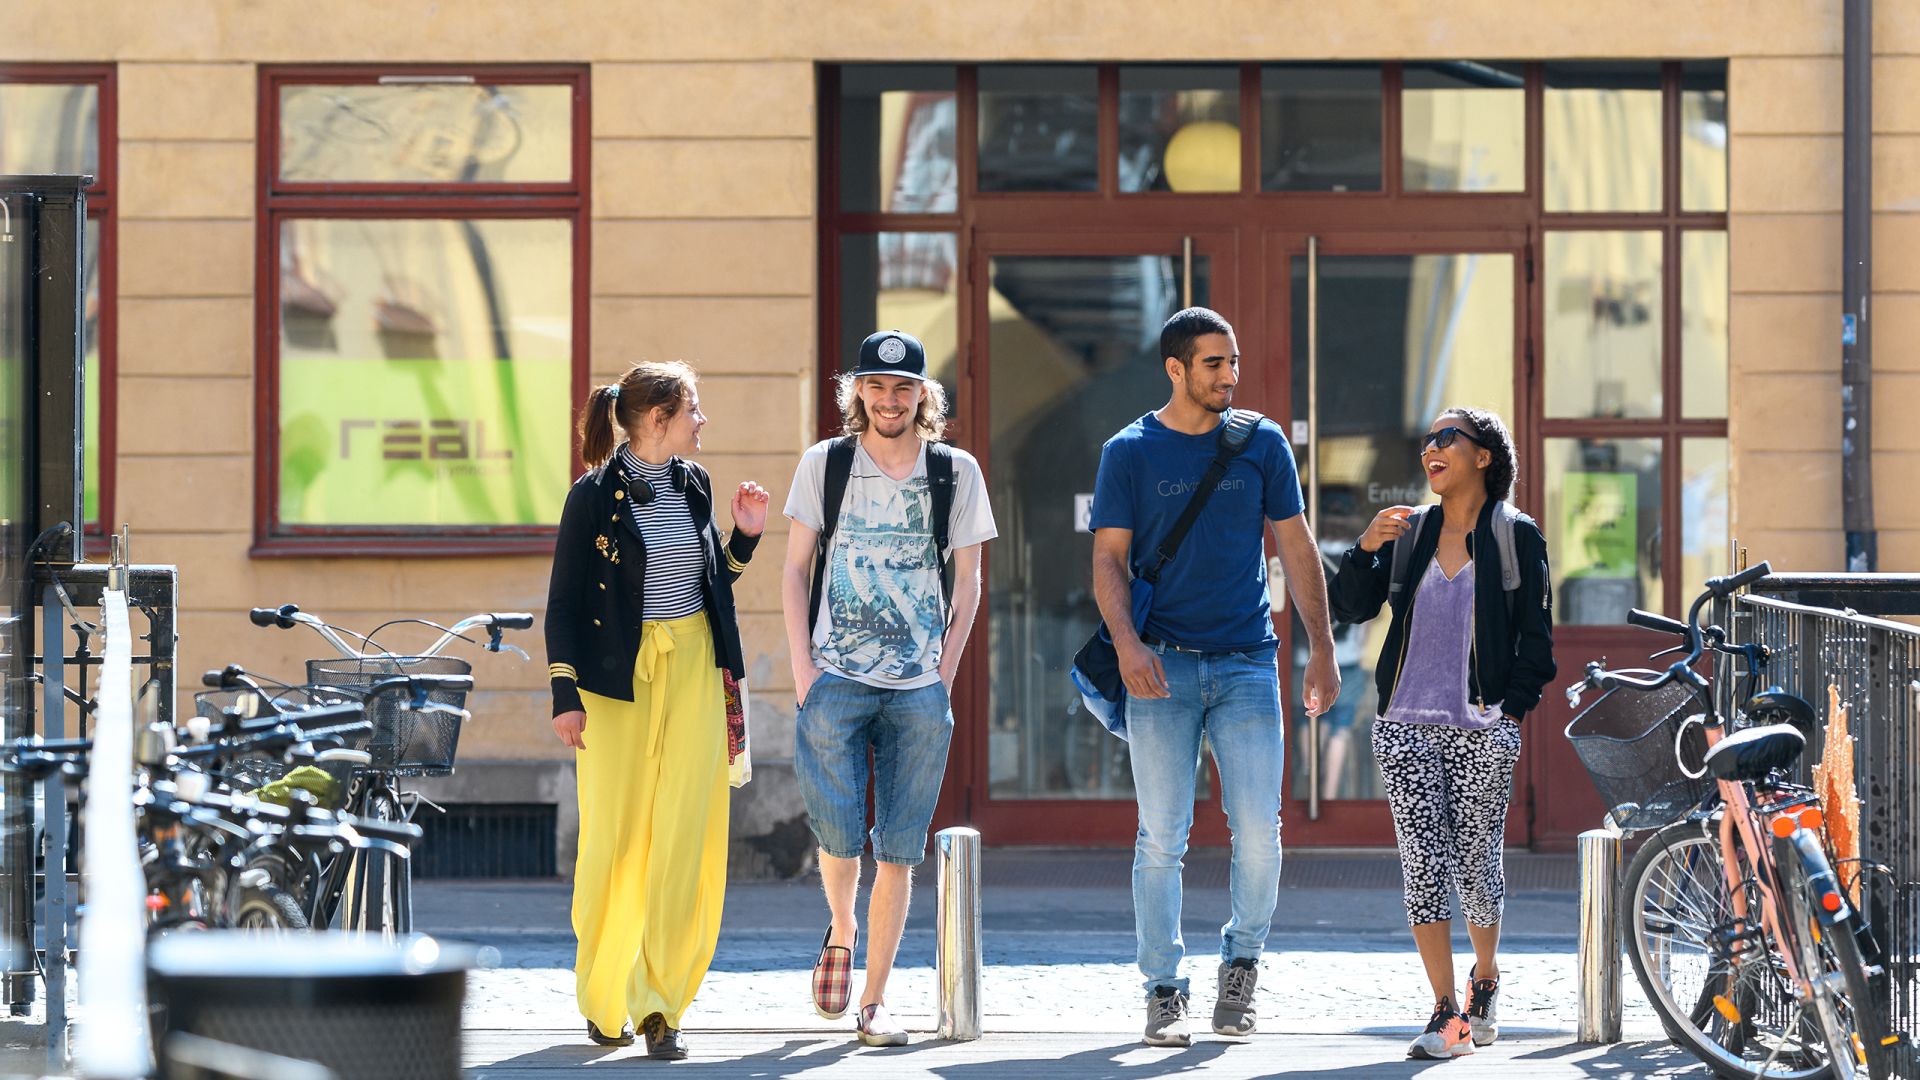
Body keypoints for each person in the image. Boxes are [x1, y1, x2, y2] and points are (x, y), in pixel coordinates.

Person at [1089, 306, 1340, 1048]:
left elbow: (1297, 550)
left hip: (1246, 664)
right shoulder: (1128, 451)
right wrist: (1128, 644)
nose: (1229, 375)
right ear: (1175, 368)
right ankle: (1164, 988)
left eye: (1233, 362)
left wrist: (1320, 648)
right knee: (1161, 838)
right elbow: (1108, 559)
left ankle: (1242, 969)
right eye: (1213, 364)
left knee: (1258, 831)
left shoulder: (1261, 444)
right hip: (1159, 665)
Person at [544, 361, 770, 1060]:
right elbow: (563, 603)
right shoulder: (591, 498)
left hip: (696, 670)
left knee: (686, 837)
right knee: (615, 841)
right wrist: (564, 694)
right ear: (657, 419)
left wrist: (744, 537)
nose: (703, 422)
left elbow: (706, 579)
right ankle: (606, 994)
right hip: (618, 683)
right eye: (693, 410)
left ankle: (661, 1006)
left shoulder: (694, 484)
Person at [780, 330, 996, 1047]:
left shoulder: (955, 472)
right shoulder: (827, 464)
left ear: (923, 397)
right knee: (839, 838)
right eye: (876, 387)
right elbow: (794, 570)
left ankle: (873, 1002)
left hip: (917, 690)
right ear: (858, 393)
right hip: (834, 677)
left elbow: (969, 582)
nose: (890, 400)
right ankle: (841, 926)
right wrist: (803, 671)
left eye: (904, 389)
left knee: (900, 849)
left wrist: (945, 674)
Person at [1328, 407, 1556, 1060]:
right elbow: (1350, 607)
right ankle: (1446, 1012)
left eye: (1446, 437)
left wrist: (1507, 713)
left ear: (1483, 457)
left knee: (1476, 865)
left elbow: (1537, 643)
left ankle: (1486, 976)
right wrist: (1366, 547)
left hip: (1482, 729)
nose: (1432, 446)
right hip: (1404, 726)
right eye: (1427, 439)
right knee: (1423, 863)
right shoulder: (1410, 532)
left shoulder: (1516, 537)